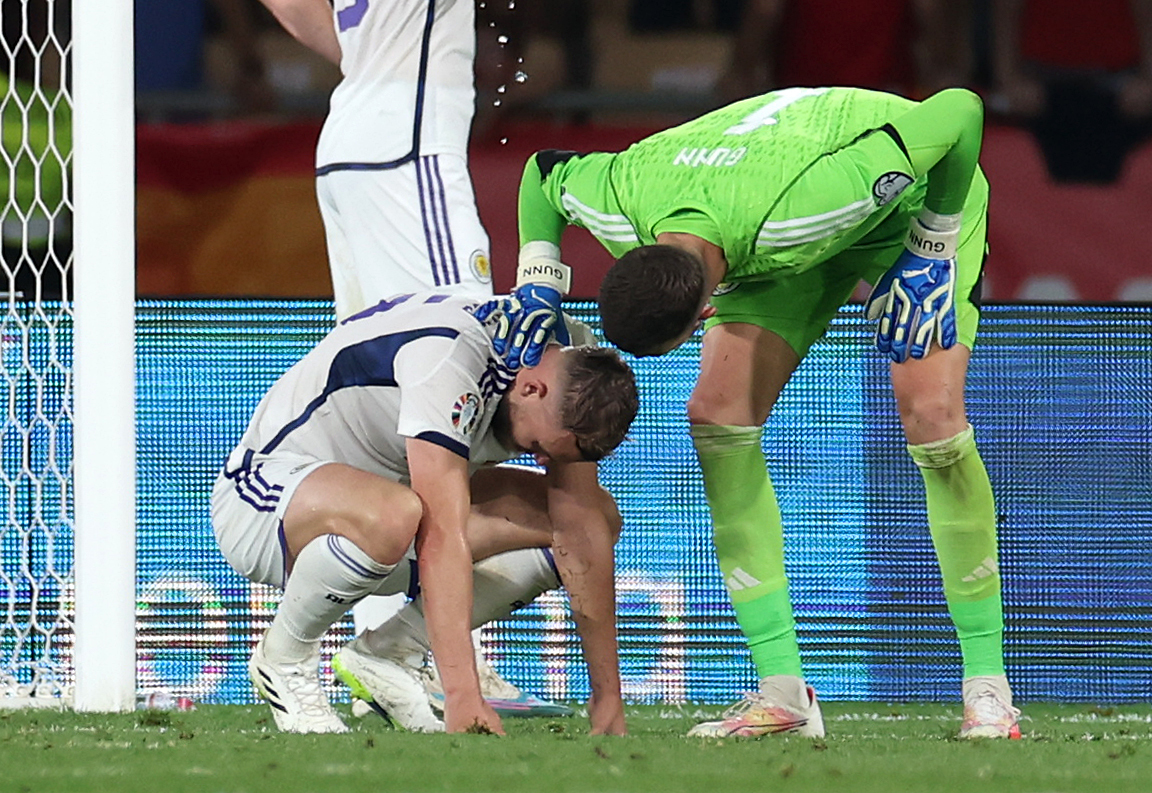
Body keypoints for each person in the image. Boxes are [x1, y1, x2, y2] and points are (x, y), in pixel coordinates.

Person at [501, 85, 1020, 739]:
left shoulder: (807, 206)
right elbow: (544, 173)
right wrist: (538, 283)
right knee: (717, 417)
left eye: (688, 335)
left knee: (932, 413)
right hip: (756, 227)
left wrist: (932, 247)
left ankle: (988, 689)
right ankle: (783, 692)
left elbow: (961, 109)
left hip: (896, 201)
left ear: (702, 308)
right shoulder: (618, 197)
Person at [256, 0, 572, 715]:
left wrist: (374, 61)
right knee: (469, 373)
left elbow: (322, 20)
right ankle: (425, 653)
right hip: (409, 151)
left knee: (395, 396)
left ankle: (384, 650)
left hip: (353, 144)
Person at [211, 291, 638, 734]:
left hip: (390, 509)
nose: (543, 463)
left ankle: (390, 652)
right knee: (398, 513)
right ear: (531, 388)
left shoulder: (570, 360)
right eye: (539, 449)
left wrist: (607, 697)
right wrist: (463, 696)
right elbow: (442, 536)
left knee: (595, 517)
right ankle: (284, 657)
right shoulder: (449, 358)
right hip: (265, 504)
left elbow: (581, 530)